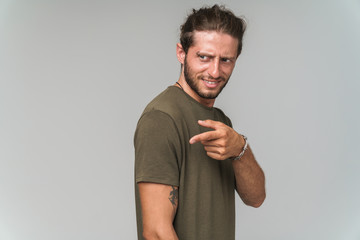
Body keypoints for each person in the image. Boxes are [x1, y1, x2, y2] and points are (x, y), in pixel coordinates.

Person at [134, 4, 266, 240]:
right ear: (181, 53)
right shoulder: (161, 118)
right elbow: (155, 232)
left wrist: (240, 149)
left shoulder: (222, 121)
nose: (215, 71)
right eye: (204, 57)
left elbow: (256, 198)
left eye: (226, 60)